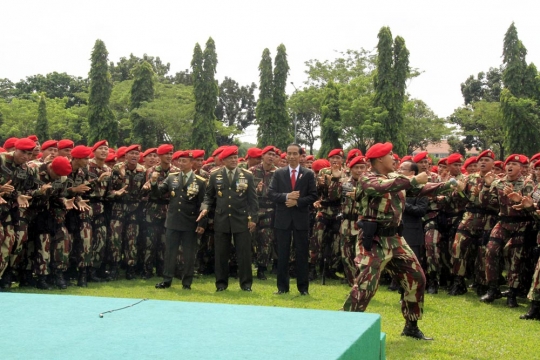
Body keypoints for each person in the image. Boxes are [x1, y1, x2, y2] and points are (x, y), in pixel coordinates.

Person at [342, 142, 459, 340]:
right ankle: (342, 327)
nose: (394, 159)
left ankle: (411, 326)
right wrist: (412, 181)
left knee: (417, 278)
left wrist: (448, 185)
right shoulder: (367, 179)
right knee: (365, 286)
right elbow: (380, 188)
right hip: (374, 240)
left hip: (395, 239)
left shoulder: (395, 178)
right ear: (379, 159)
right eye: (390, 156)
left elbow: (420, 190)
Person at [198, 146, 258, 292]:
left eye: (235, 157)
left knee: (244, 254)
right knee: (221, 254)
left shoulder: (247, 175)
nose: (233, 160)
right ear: (223, 160)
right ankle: (221, 284)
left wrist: (254, 219)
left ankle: (246, 285)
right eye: (230, 158)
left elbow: (253, 200)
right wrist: (204, 207)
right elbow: (208, 196)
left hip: (241, 218)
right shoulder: (215, 175)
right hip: (222, 218)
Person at [149, 151, 207, 290]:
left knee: (189, 254)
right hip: (173, 221)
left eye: (184, 161)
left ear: (192, 163)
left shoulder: (200, 181)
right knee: (170, 252)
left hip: (190, 222)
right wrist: (153, 182)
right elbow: (158, 194)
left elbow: (203, 203)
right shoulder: (171, 178)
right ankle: (167, 279)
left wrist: (202, 223)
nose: (181, 164)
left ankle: (186, 282)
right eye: (179, 161)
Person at [268, 143, 318, 295]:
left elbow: (313, 196)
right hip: (282, 219)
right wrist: (286, 197)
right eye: (289, 153)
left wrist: (297, 202)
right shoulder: (279, 173)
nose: (291, 156)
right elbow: (271, 193)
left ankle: (303, 289)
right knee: (282, 254)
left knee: (302, 254)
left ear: (300, 155)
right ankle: (282, 288)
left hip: (300, 219)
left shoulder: (308, 174)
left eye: (295, 153)